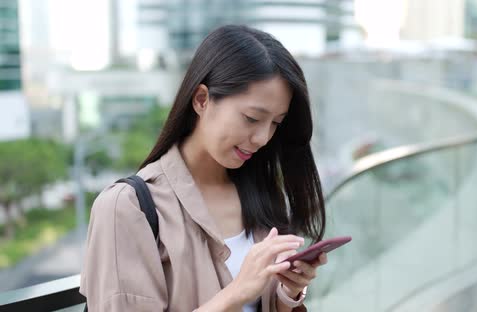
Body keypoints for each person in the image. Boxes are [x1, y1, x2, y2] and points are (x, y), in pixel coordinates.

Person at [80, 25, 327, 312]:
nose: (262, 138)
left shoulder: (262, 196)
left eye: (275, 123)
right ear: (201, 99)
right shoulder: (126, 208)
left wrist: (288, 292)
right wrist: (235, 293)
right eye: (251, 118)